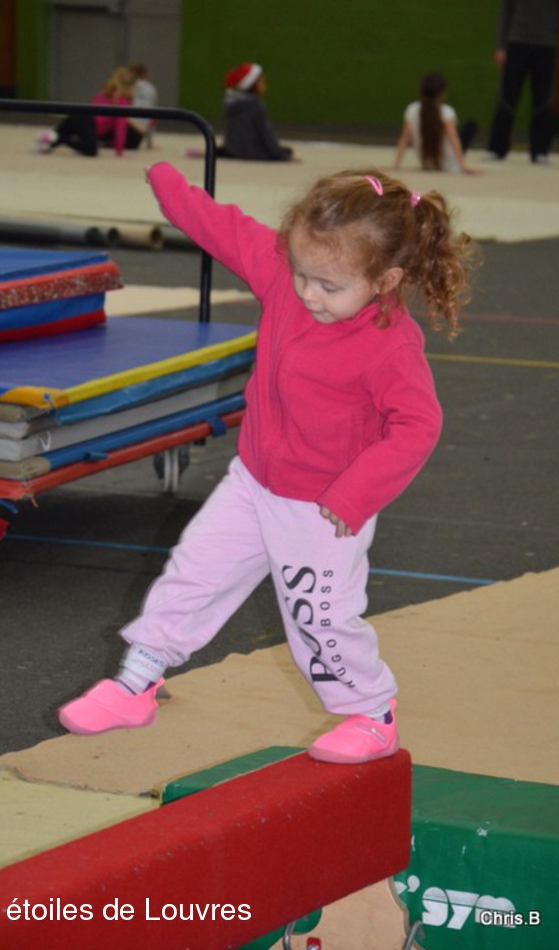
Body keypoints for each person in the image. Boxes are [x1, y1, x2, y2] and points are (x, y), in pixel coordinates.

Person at [58, 164, 476, 765]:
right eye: (301, 273)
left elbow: (417, 426)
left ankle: (371, 714)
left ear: (385, 280)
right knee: (195, 573)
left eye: (328, 286)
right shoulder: (284, 274)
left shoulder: (390, 345)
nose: (308, 294)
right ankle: (136, 682)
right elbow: (221, 227)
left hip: (323, 507)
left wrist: (354, 495)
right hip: (253, 482)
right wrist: (168, 183)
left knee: (319, 620)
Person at [487, 0, 559, 164]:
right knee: (507, 96)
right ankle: (497, 148)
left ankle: (540, 151)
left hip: (546, 46)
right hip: (517, 43)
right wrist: (501, 46)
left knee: (543, 100)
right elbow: (505, 11)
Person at [34, 66, 147, 156]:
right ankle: (58, 138)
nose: (135, 91)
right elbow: (120, 127)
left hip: (76, 115)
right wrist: (119, 151)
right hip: (88, 121)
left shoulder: (103, 93)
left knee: (61, 132)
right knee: (91, 149)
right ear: (128, 88)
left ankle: (49, 141)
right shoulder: (122, 102)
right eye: (134, 88)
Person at [393, 72, 479, 174]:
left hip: (426, 163)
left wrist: (396, 165)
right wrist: (463, 167)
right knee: (470, 126)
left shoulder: (412, 109)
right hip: (448, 165)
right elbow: (454, 140)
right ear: (442, 93)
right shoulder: (446, 111)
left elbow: (404, 139)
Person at [217, 62, 294, 161]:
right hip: (251, 153)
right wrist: (282, 157)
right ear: (251, 85)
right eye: (262, 82)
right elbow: (266, 135)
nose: (265, 85)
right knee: (287, 151)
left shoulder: (230, 103)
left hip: (233, 150)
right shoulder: (255, 105)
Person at [128, 61, 158, 147]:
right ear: (145, 75)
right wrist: (150, 142)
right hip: (138, 135)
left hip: (125, 129)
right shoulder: (151, 89)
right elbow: (153, 117)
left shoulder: (125, 86)